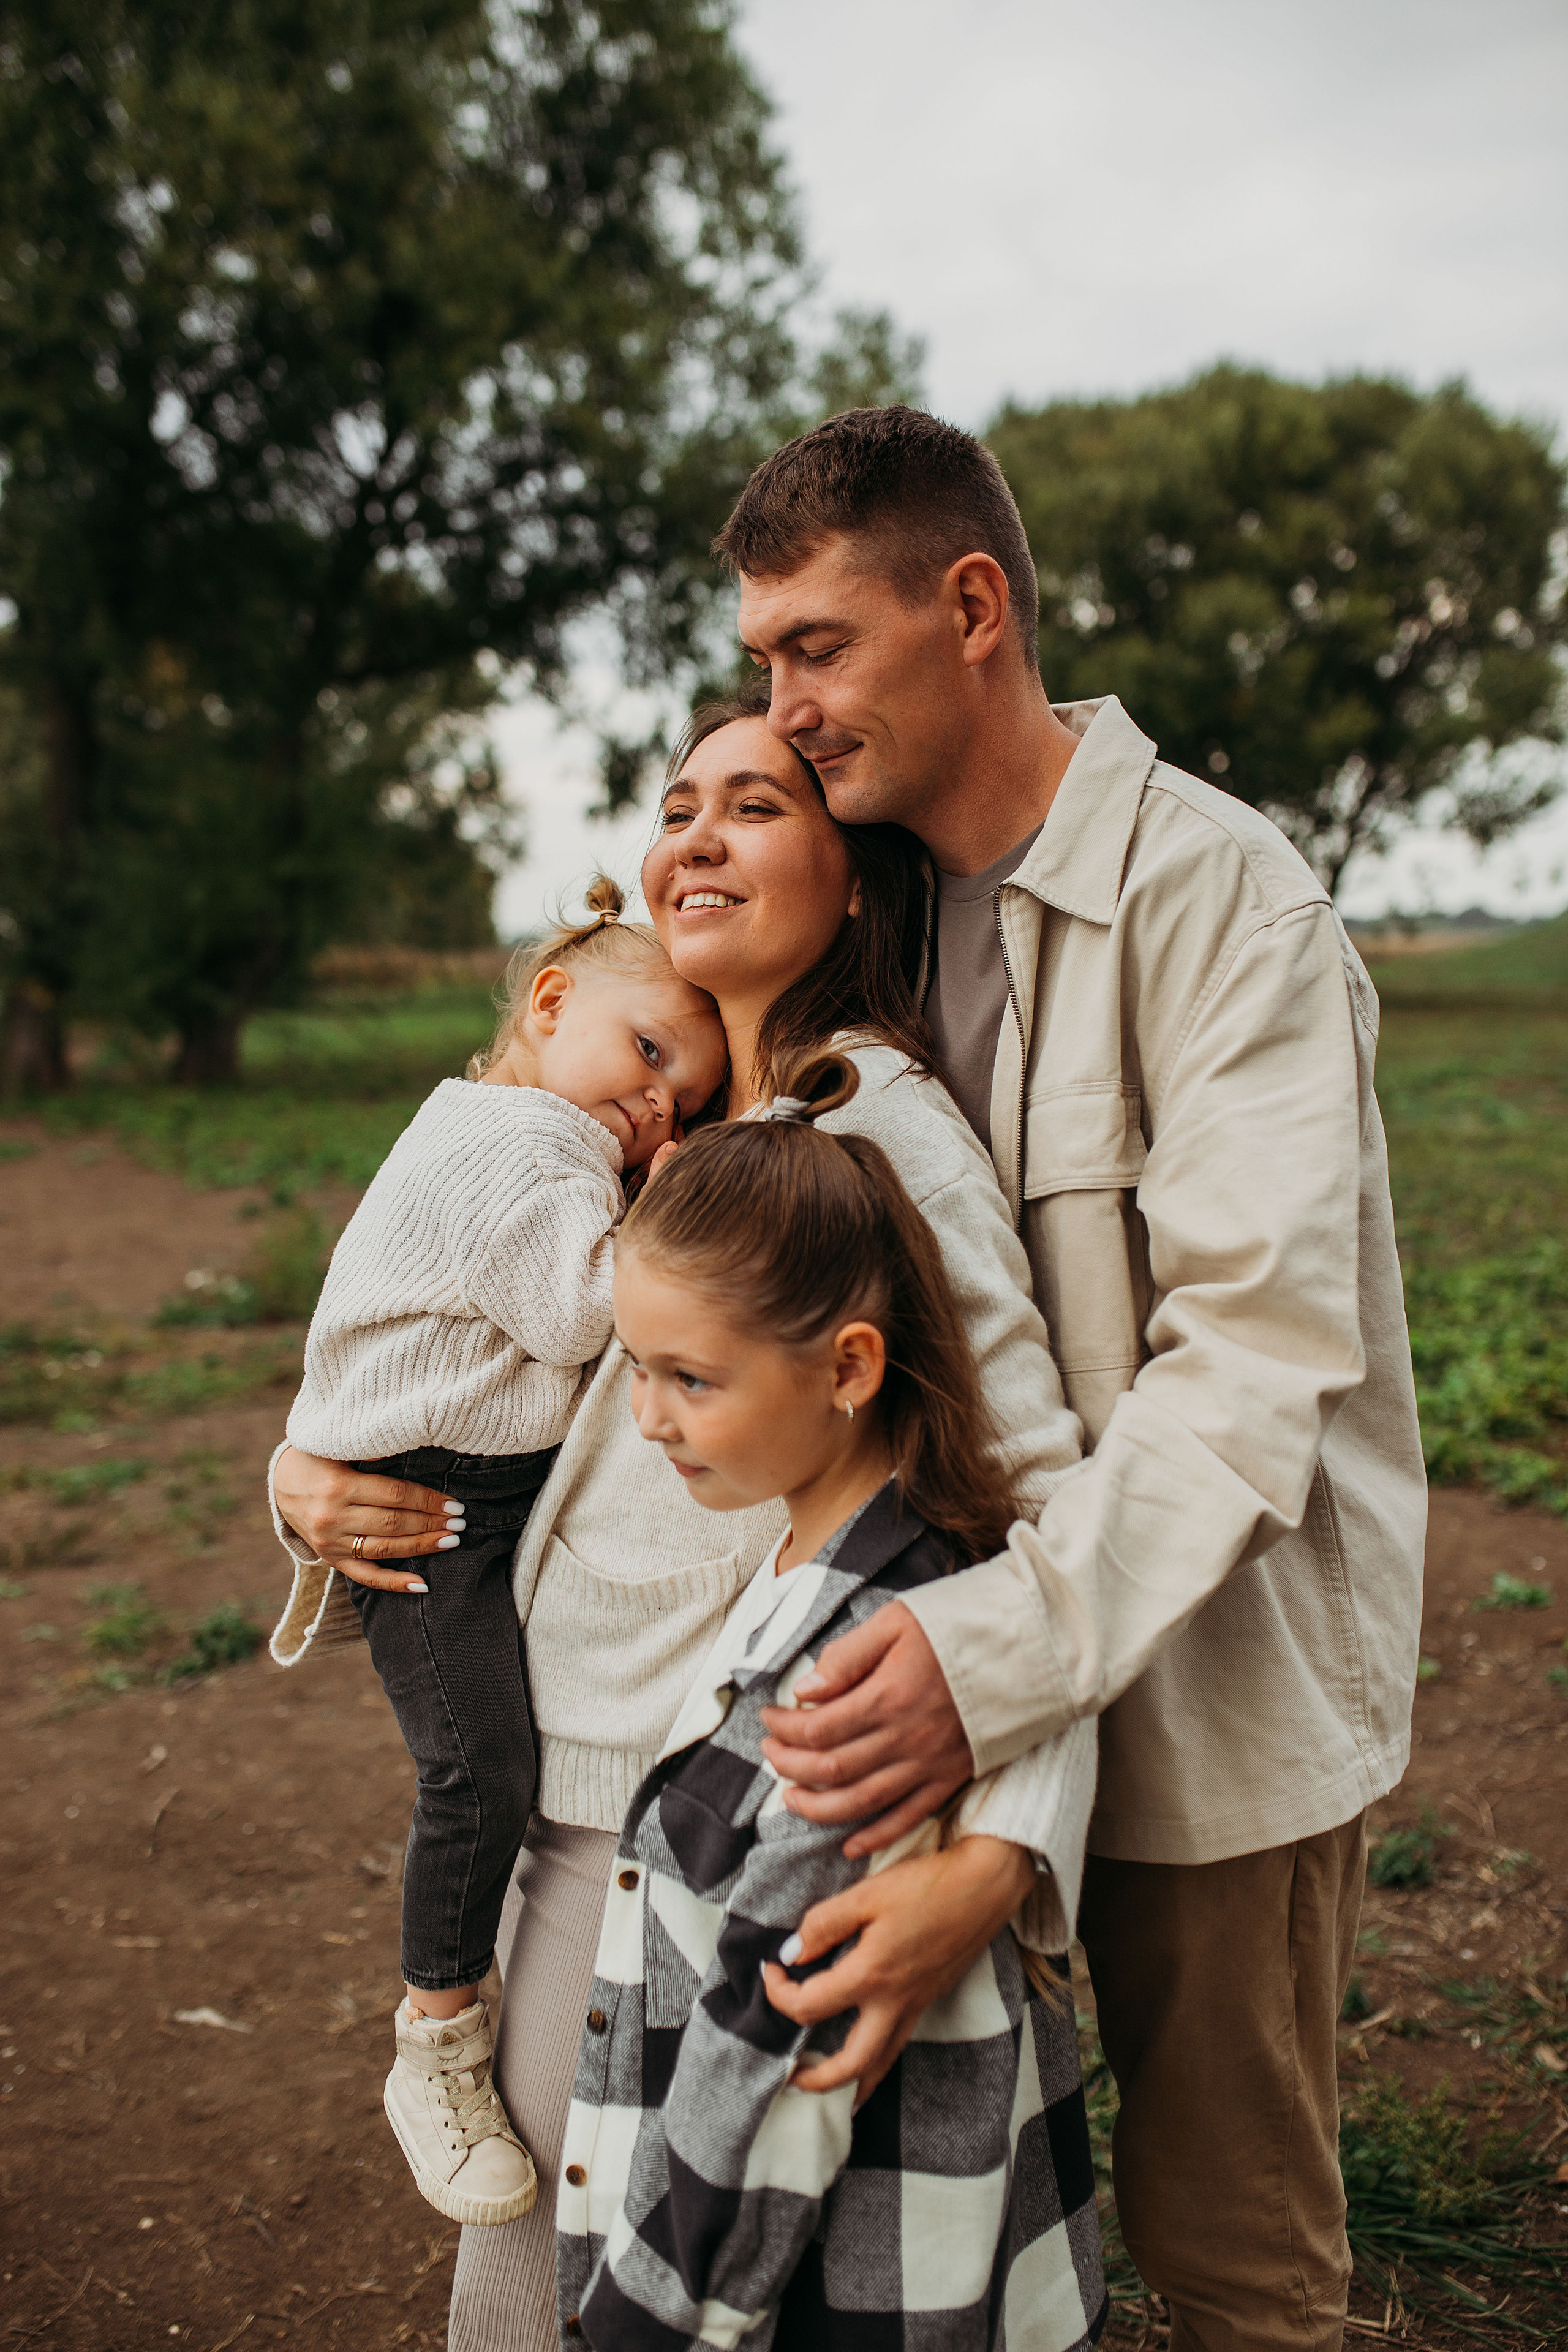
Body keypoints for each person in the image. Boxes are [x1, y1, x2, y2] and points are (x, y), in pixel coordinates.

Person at [706, 405, 1428, 2351]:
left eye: (816, 648)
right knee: (936, 2227)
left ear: (973, 609)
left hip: (1201, 1693)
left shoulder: (1224, 900)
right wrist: (343, 1461)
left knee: (1229, 2250)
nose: (781, 710)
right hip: (913, 1698)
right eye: (761, 660)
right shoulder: (846, 902)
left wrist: (996, 1661)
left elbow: (1256, 1362)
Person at [270, 699, 1098, 2351]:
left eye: (759, 805)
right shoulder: (640, 1135)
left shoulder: (866, 1130)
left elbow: (1035, 1501)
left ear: (855, 877)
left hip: (704, 1823)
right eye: (675, 805)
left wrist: (1006, 1847)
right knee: (546, 2282)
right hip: (575, 1807)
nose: (697, 836)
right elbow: (460, 1350)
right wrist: (307, 1475)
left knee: (597, 2299)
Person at [557, 1045, 1105, 2351]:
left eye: (691, 1378)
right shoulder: (820, 1566)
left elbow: (770, 2062)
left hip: (827, 2288)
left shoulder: (858, 1669)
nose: (649, 1418)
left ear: (849, 1367)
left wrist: (643, 2320)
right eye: (635, 1366)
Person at [269, 878, 728, 2228]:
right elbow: (580, 1313)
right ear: (549, 1003)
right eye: (648, 1054)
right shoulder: (522, 1143)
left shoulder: (520, 1130)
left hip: (469, 1495)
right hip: (433, 1511)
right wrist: (673, 1201)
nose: (658, 1110)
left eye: (684, 1103)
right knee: (479, 1772)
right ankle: (438, 2044)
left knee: (499, 1763)